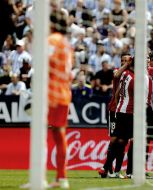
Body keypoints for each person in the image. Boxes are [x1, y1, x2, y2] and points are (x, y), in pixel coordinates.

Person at [46, 9, 73, 189]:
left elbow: (44, 62)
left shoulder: (52, 40)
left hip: (50, 93)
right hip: (64, 93)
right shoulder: (66, 44)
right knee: (59, 133)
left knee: (41, 133)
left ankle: (38, 178)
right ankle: (62, 178)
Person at [98, 53, 132, 178]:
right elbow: (116, 75)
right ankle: (108, 167)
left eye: (127, 60)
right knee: (113, 139)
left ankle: (115, 170)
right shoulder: (118, 71)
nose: (124, 62)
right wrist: (127, 65)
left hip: (126, 110)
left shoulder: (132, 74)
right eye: (122, 60)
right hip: (114, 108)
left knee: (123, 141)